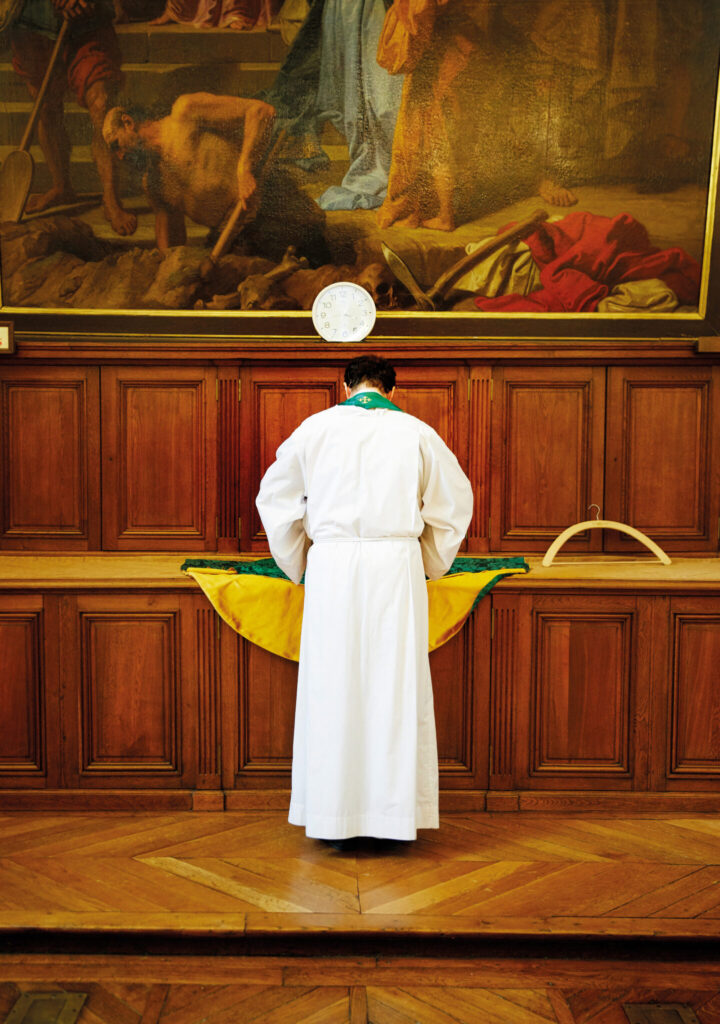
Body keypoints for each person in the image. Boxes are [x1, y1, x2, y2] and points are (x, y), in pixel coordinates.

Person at [255, 355, 473, 847]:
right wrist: (431, 561)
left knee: (333, 685)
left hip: (333, 568)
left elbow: (275, 498)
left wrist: (299, 558)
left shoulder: (314, 429)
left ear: (347, 385)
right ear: (391, 391)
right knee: (394, 686)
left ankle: (332, 815)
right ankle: (391, 818)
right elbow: (453, 504)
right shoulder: (417, 432)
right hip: (395, 567)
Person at [103, 94, 330, 263]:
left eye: (116, 145)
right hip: (231, 240)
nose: (120, 156)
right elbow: (169, 245)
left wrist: (244, 169)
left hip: (273, 214)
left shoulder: (185, 114)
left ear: (128, 123)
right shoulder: (154, 182)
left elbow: (261, 112)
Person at [10, 0, 137, 234]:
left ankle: (110, 198)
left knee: (101, 102)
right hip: (34, 22)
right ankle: (61, 187)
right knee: (45, 105)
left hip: (87, 20)